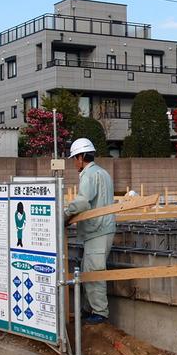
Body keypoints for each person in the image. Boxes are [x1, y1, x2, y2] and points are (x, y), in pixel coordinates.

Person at [64, 138, 115, 324]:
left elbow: (83, 201)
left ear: (81, 157)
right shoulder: (103, 173)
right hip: (101, 228)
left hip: (98, 229)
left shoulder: (89, 175)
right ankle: (88, 309)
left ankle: (100, 313)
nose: (74, 163)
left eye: (74, 158)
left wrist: (64, 214)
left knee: (94, 271)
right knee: (88, 269)